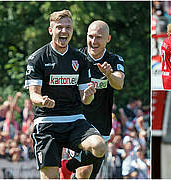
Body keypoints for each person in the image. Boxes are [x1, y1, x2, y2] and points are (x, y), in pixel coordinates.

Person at [24, 9, 105, 179]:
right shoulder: (37, 58)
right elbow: (34, 95)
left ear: (72, 31)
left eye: (68, 27)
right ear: (50, 30)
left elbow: (86, 100)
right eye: (59, 27)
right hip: (47, 123)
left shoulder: (80, 58)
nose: (64, 31)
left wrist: (89, 94)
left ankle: (70, 166)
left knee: (99, 147)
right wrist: (42, 101)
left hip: (74, 120)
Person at [59, 20, 125, 179]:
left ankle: (67, 170)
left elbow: (119, 83)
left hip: (101, 126)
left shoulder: (115, 60)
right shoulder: (75, 58)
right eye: (91, 36)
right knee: (84, 170)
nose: (93, 41)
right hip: (77, 123)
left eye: (99, 37)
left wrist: (109, 74)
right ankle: (67, 168)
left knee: (89, 175)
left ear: (108, 39)